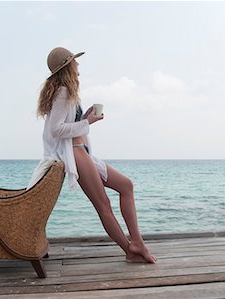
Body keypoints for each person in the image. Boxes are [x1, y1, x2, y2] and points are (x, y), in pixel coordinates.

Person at [36, 47, 156, 264]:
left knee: (126, 186)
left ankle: (137, 242)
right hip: (75, 153)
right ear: (68, 66)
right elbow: (56, 130)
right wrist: (88, 122)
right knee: (103, 204)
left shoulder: (68, 91)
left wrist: (86, 116)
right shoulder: (63, 91)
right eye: (75, 61)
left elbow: (69, 125)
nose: (78, 65)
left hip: (84, 153)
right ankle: (129, 250)